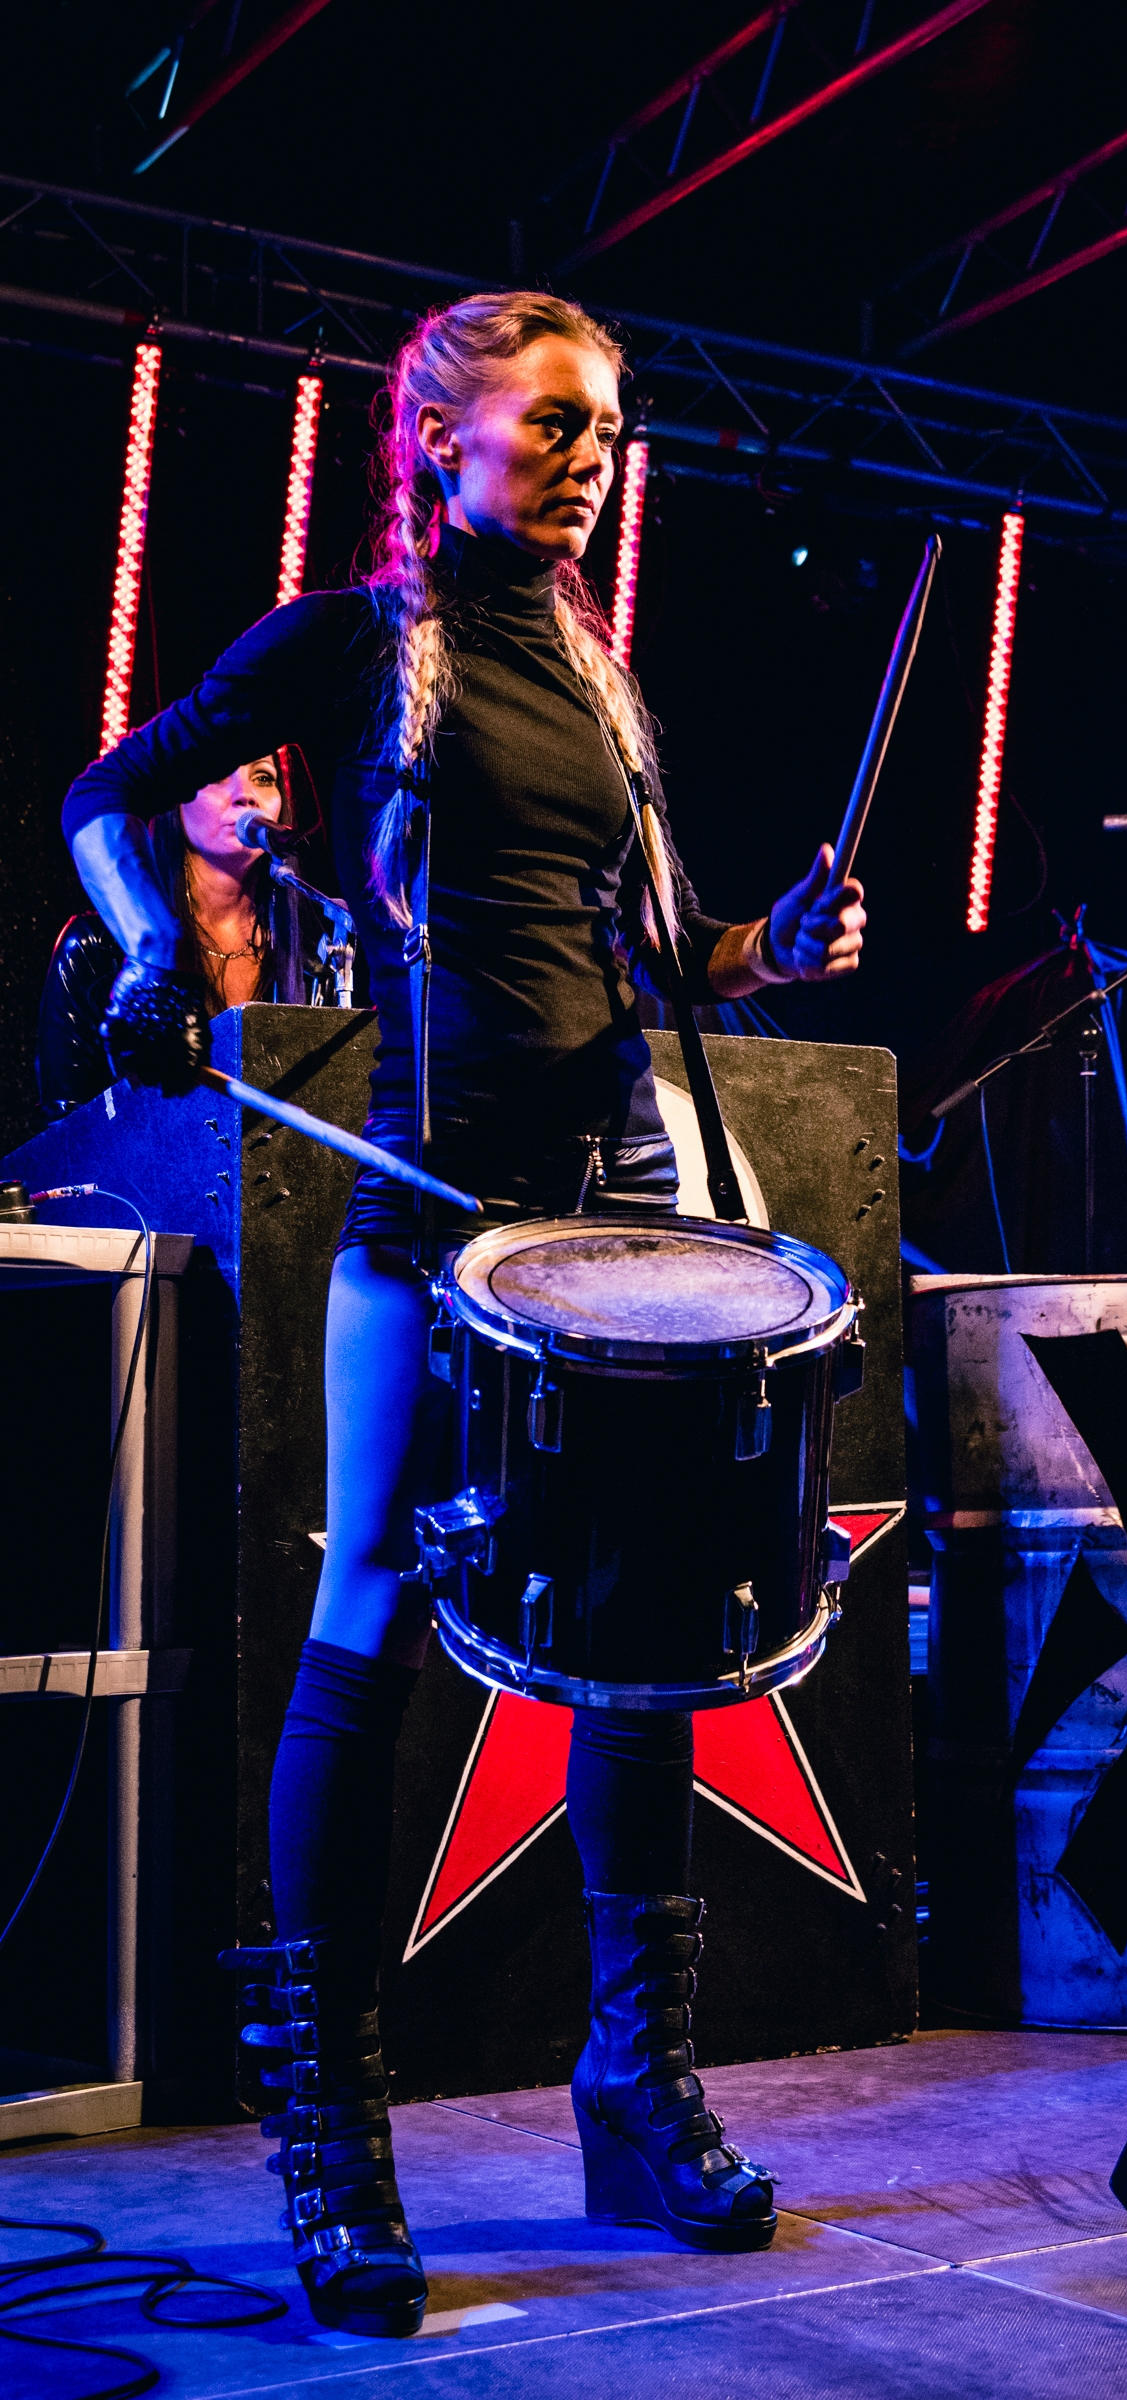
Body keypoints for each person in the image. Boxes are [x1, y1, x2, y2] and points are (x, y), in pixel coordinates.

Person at [60, 291, 866, 2341]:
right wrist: (151, 949)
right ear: (440, 439)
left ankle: (635, 2090)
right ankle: (334, 2137)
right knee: (365, 1619)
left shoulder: (603, 684)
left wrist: (772, 948)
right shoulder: (351, 644)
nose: (591, 458)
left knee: (644, 1645)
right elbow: (103, 795)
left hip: (621, 1214)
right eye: (555, 422)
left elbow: (660, 948)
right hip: (432, 1204)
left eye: (608, 430)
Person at [37, 753, 313, 1118]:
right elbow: (65, 1128)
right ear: (174, 799)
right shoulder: (96, 948)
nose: (246, 794)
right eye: (217, 773)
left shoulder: (318, 956)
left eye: (263, 778)